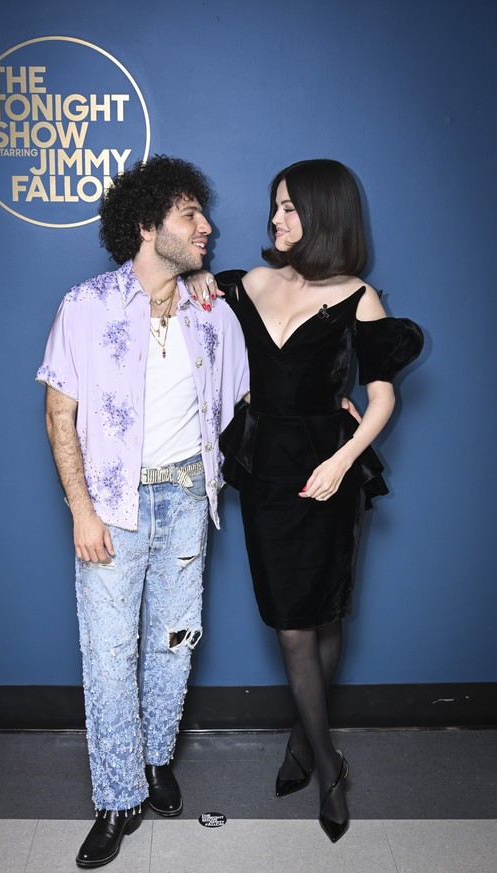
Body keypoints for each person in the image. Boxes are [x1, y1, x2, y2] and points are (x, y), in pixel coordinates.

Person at [187, 158, 423, 843]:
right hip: (266, 469)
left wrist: (344, 457)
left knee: (323, 613)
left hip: (331, 467)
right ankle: (330, 762)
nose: (275, 219)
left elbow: (383, 396)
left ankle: (306, 746)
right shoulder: (246, 282)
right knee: (291, 622)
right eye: (275, 206)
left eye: (290, 207)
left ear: (326, 214)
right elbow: (190, 318)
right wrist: (199, 281)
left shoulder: (359, 296)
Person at [36, 155, 249, 868]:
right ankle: (117, 797)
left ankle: (157, 760)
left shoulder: (213, 310)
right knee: (107, 653)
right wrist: (81, 509)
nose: (207, 227)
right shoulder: (86, 305)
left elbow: (257, 389)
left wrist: (340, 402)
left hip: (189, 495)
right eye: (191, 215)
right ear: (148, 223)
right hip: (113, 505)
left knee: (175, 639)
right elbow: (59, 410)